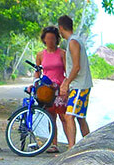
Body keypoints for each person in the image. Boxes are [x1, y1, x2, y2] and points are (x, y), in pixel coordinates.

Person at [57, 15, 92, 149]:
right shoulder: (75, 41)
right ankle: (90, 145)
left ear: (61, 28)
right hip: (80, 84)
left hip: (80, 85)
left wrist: (66, 83)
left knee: (69, 116)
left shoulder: (73, 42)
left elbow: (76, 66)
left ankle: (71, 148)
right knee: (80, 117)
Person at [35, 26, 66, 153]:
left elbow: (68, 71)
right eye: (47, 38)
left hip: (60, 88)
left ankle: (71, 143)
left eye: (52, 38)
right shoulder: (40, 55)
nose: (50, 41)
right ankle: (54, 144)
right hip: (47, 89)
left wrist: (65, 86)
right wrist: (35, 84)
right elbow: (37, 72)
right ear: (44, 39)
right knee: (51, 117)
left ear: (56, 39)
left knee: (64, 116)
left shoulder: (62, 53)